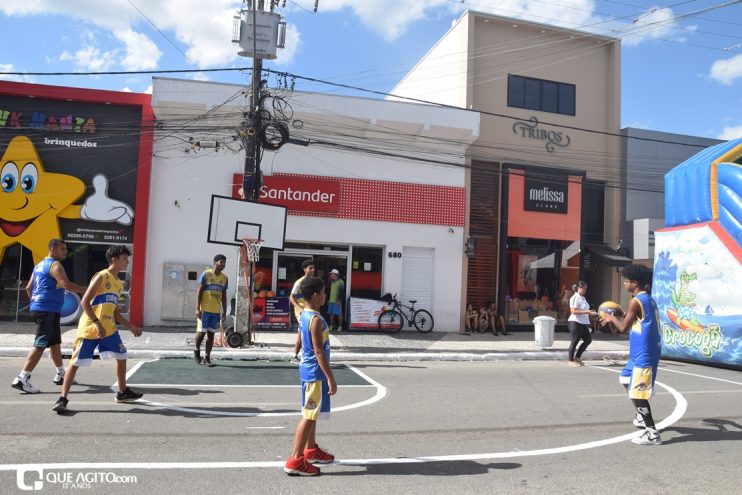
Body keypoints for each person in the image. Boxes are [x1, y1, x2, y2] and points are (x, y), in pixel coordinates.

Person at [52, 245, 142, 413]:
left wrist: (130, 326)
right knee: (75, 362)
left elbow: (114, 312)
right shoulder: (101, 276)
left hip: (108, 329)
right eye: (124, 259)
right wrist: (97, 323)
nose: (127, 261)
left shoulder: (118, 284)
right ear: (114, 260)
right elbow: (84, 302)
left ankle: (122, 392)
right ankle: (62, 398)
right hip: (91, 328)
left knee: (122, 355)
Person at [11, 239, 87, 394]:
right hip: (47, 309)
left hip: (42, 308)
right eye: (62, 249)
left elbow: (28, 287)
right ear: (52, 248)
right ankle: (22, 378)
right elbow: (66, 284)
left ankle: (61, 374)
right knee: (40, 344)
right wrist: (86, 289)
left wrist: (35, 302)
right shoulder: (55, 265)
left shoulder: (39, 265)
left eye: (66, 249)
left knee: (55, 343)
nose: (65, 252)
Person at [601, 264, 663, 446]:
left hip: (644, 354)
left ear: (635, 283)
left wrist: (611, 317)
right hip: (640, 353)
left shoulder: (636, 302)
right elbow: (629, 323)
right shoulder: (648, 299)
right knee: (625, 379)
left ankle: (652, 434)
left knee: (638, 393)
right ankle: (641, 416)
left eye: (626, 281)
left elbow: (622, 328)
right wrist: (618, 316)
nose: (624, 284)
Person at [283, 276, 337, 476]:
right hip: (315, 372)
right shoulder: (315, 320)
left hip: (310, 370)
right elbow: (318, 351)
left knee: (312, 413)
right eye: (323, 292)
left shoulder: (304, 313)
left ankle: (311, 448)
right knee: (308, 414)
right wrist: (330, 377)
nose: (325, 295)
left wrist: (296, 350)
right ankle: (295, 460)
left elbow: (300, 338)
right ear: (315, 296)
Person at [194, 254, 228, 367]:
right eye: (221, 262)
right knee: (201, 333)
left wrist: (224, 311)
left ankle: (207, 358)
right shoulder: (206, 274)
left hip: (216, 311)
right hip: (204, 310)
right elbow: (199, 291)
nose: (223, 264)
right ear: (215, 262)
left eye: (224, 262)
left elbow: (224, 295)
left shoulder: (224, 278)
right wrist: (197, 308)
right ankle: (197, 350)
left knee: (211, 335)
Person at [290, 259, 315, 361]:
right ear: (304, 269)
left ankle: (295, 356)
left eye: (314, 268)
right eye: (310, 268)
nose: (313, 270)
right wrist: (299, 308)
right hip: (301, 312)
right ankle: (305, 356)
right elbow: (291, 297)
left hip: (310, 311)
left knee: (302, 333)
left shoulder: (314, 282)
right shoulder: (299, 282)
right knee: (306, 333)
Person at [567, 281, 596, 367]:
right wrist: (587, 312)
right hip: (575, 322)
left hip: (583, 323)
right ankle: (570, 360)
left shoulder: (583, 298)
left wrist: (591, 314)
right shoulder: (574, 298)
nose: (584, 290)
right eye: (583, 288)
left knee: (588, 340)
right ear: (579, 288)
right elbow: (573, 311)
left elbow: (586, 311)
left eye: (585, 288)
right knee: (575, 341)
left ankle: (577, 358)